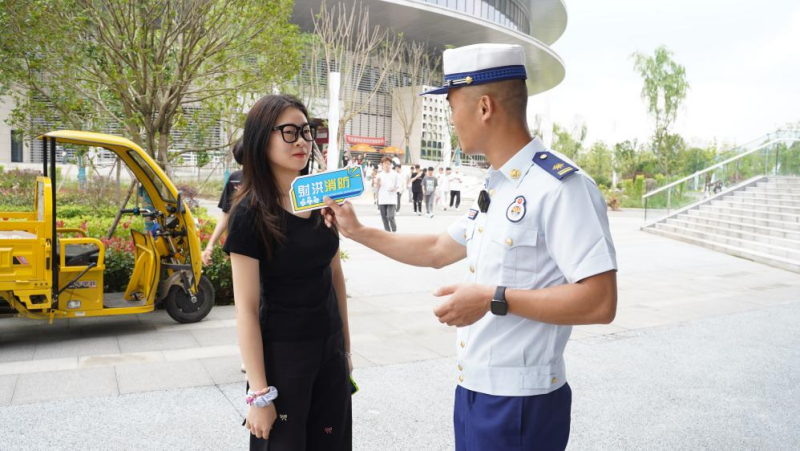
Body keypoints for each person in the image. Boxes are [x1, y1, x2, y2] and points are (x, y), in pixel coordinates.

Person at [321, 43, 617, 451]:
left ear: (484, 107)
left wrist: (493, 299)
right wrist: (357, 231)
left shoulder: (560, 188)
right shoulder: (499, 186)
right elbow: (438, 249)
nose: (449, 120)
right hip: (473, 391)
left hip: (522, 404)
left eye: (451, 106)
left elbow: (600, 301)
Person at [224, 94, 353, 450]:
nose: (301, 141)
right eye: (289, 132)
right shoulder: (249, 214)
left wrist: (345, 351)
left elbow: (335, 277)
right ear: (261, 139)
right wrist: (259, 395)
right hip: (283, 360)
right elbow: (247, 310)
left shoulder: (320, 199)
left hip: (329, 352)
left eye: (306, 131)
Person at [202, 140, 244, 266]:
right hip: (238, 245)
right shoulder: (235, 179)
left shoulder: (267, 180)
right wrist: (210, 245)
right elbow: (226, 214)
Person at [375, 157, 399, 232]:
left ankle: (394, 230)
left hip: (391, 199)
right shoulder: (379, 175)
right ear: (382, 165)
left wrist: (394, 188)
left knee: (390, 216)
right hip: (382, 198)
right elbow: (377, 187)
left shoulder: (395, 174)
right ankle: (387, 232)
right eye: (385, 163)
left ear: (391, 165)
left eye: (388, 163)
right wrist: (378, 182)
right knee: (384, 217)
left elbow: (398, 186)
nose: (386, 165)